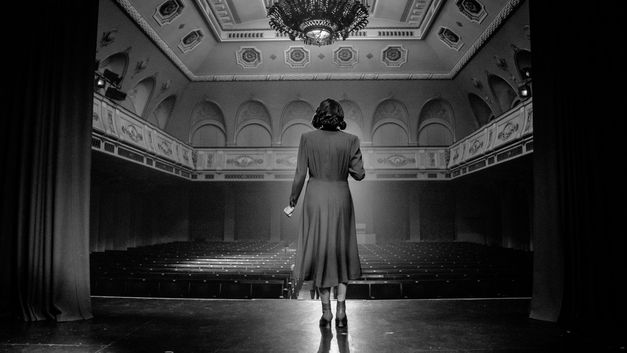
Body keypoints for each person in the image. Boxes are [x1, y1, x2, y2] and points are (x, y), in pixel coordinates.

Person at [288, 98, 365, 328]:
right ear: (339, 116)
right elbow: (360, 174)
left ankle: (327, 313)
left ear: (319, 115)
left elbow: (301, 173)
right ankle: (342, 310)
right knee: (341, 252)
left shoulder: (307, 139)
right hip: (341, 197)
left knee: (321, 253)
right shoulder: (351, 140)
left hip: (316, 197)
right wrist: (345, 165)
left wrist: (292, 201)